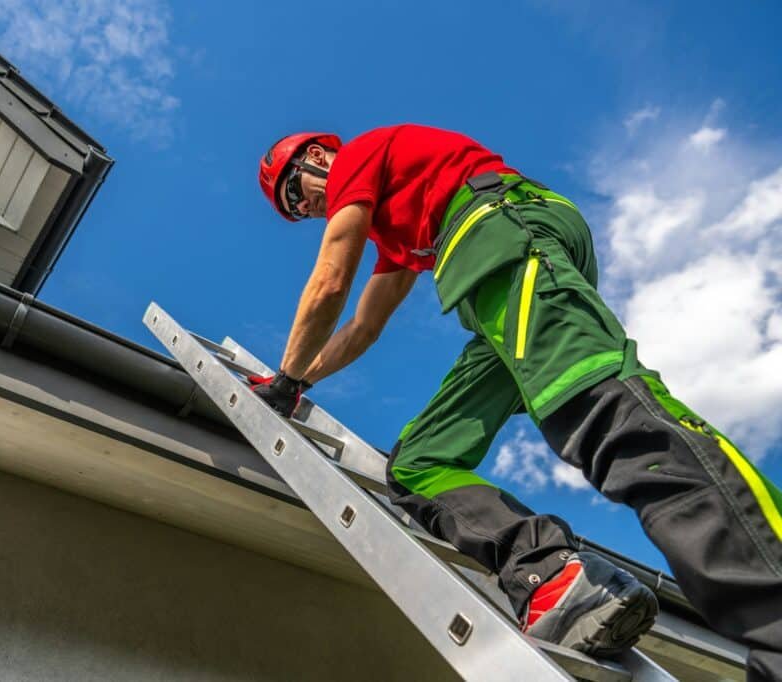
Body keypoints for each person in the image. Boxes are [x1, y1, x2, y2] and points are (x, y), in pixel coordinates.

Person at [251, 125, 782, 679]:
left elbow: (332, 278)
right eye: (298, 211)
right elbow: (363, 326)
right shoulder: (399, 237)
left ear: (316, 156)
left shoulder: (360, 156)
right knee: (417, 463)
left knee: (600, 410)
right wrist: (302, 381)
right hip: (496, 267)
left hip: (506, 232)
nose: (309, 207)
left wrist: (282, 380)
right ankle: (551, 575)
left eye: (298, 192)